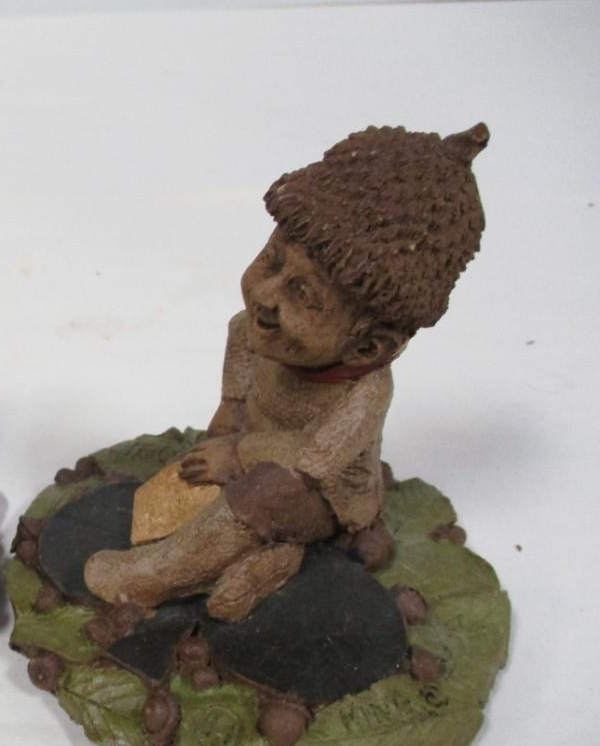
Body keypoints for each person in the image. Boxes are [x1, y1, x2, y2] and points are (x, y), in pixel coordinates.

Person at [84, 124, 489, 620]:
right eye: (272, 261)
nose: (265, 296)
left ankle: (157, 577)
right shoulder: (257, 331)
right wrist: (226, 424)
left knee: (271, 494)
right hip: (248, 453)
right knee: (216, 492)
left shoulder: (363, 392)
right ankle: (273, 558)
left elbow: (312, 462)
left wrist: (237, 455)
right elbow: (237, 373)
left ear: (369, 345)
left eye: (304, 294)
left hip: (323, 495)